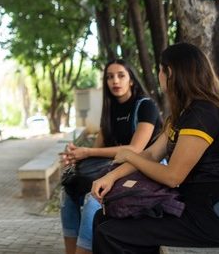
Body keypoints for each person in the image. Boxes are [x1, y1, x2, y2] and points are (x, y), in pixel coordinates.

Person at [91, 43, 219, 253]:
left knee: (110, 232)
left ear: (171, 73)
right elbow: (150, 154)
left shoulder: (202, 115)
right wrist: (111, 177)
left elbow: (173, 176)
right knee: (102, 218)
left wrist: (129, 154)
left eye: (160, 69)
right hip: (191, 206)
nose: (158, 75)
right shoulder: (184, 115)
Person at [60, 59, 162, 254]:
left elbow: (135, 149)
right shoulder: (109, 111)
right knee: (68, 192)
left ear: (131, 80)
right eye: (110, 77)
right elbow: (98, 150)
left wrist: (88, 152)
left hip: (145, 171)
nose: (115, 81)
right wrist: (76, 155)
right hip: (117, 171)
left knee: (94, 199)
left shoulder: (146, 106)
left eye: (121, 75)